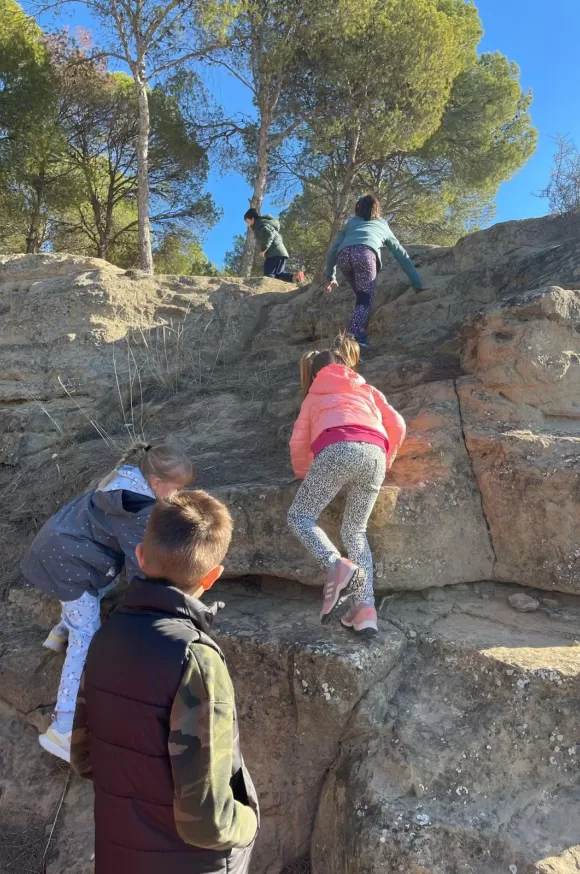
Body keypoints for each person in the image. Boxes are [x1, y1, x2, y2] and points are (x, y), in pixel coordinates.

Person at [71, 490, 259, 874]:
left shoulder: (105, 636)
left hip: (118, 855)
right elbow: (208, 821)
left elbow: (83, 756)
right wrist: (251, 820)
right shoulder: (196, 659)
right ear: (213, 576)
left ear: (140, 555)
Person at [21, 440, 194, 762]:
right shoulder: (138, 509)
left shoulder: (123, 479)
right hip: (69, 565)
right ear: (156, 484)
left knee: (101, 581)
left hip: (60, 550)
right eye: (176, 490)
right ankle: (64, 727)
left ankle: (62, 629)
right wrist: (162, 595)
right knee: (87, 635)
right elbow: (140, 563)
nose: (178, 497)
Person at [287, 335, 406, 637]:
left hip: (337, 448)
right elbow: (398, 425)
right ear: (345, 365)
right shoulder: (366, 389)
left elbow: (298, 443)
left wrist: (305, 476)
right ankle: (365, 609)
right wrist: (386, 461)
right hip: (375, 454)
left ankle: (335, 565)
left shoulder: (314, 396)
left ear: (314, 374)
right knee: (355, 531)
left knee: (300, 517)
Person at [324, 194, 423, 346]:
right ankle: (352, 338)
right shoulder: (382, 224)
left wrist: (330, 276)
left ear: (357, 209)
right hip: (365, 255)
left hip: (344, 256)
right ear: (377, 209)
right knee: (365, 299)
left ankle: (360, 333)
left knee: (361, 297)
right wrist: (416, 283)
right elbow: (400, 253)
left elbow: (332, 251)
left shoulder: (350, 223)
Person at [244, 207, 305, 283]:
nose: (247, 224)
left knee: (269, 275)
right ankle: (295, 277)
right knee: (279, 275)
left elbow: (269, 234)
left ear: (252, 219)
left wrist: (264, 249)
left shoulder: (259, 225)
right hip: (280, 252)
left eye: (247, 221)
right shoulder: (262, 224)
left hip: (274, 253)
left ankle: (267, 293)